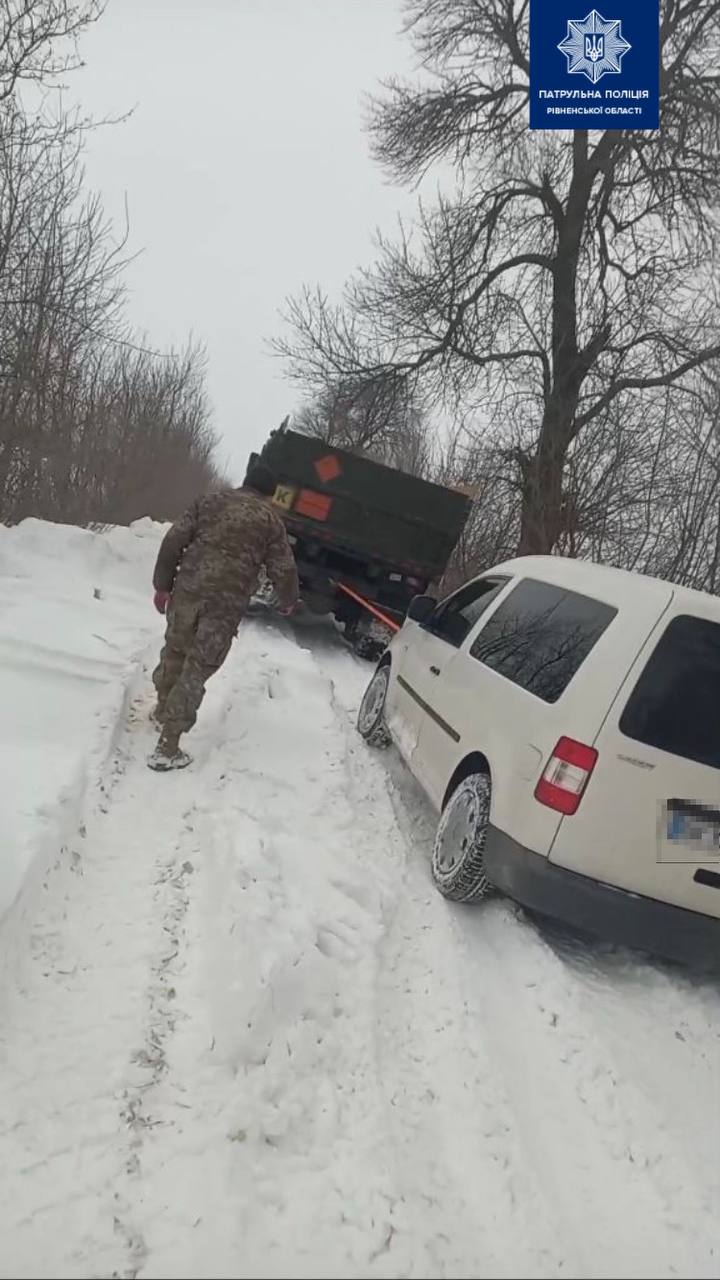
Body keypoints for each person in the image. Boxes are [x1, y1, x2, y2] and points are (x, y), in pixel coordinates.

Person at [148, 463, 299, 771]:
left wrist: (162, 586)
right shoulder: (270, 521)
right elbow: (283, 567)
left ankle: (163, 708)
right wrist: (288, 599)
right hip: (224, 607)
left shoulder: (209, 501)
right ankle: (168, 744)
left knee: (175, 651)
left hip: (187, 594)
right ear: (270, 494)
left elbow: (174, 540)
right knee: (197, 668)